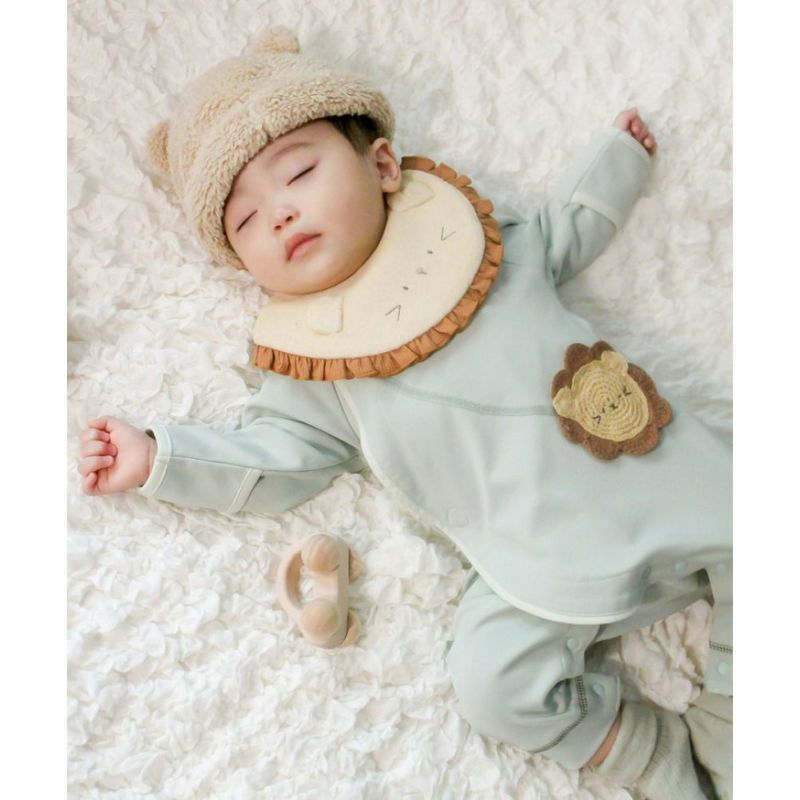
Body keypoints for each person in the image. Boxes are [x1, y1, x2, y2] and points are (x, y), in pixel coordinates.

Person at [77, 27, 732, 799]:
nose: (279, 214)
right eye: (245, 221)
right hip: (533, 560)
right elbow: (277, 458)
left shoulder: (475, 246)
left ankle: (733, 725)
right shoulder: (317, 367)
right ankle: (658, 761)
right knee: (492, 684)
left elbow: (563, 230)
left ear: (384, 165)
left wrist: (614, 162)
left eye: (300, 173)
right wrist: (158, 457)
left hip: (651, 466)